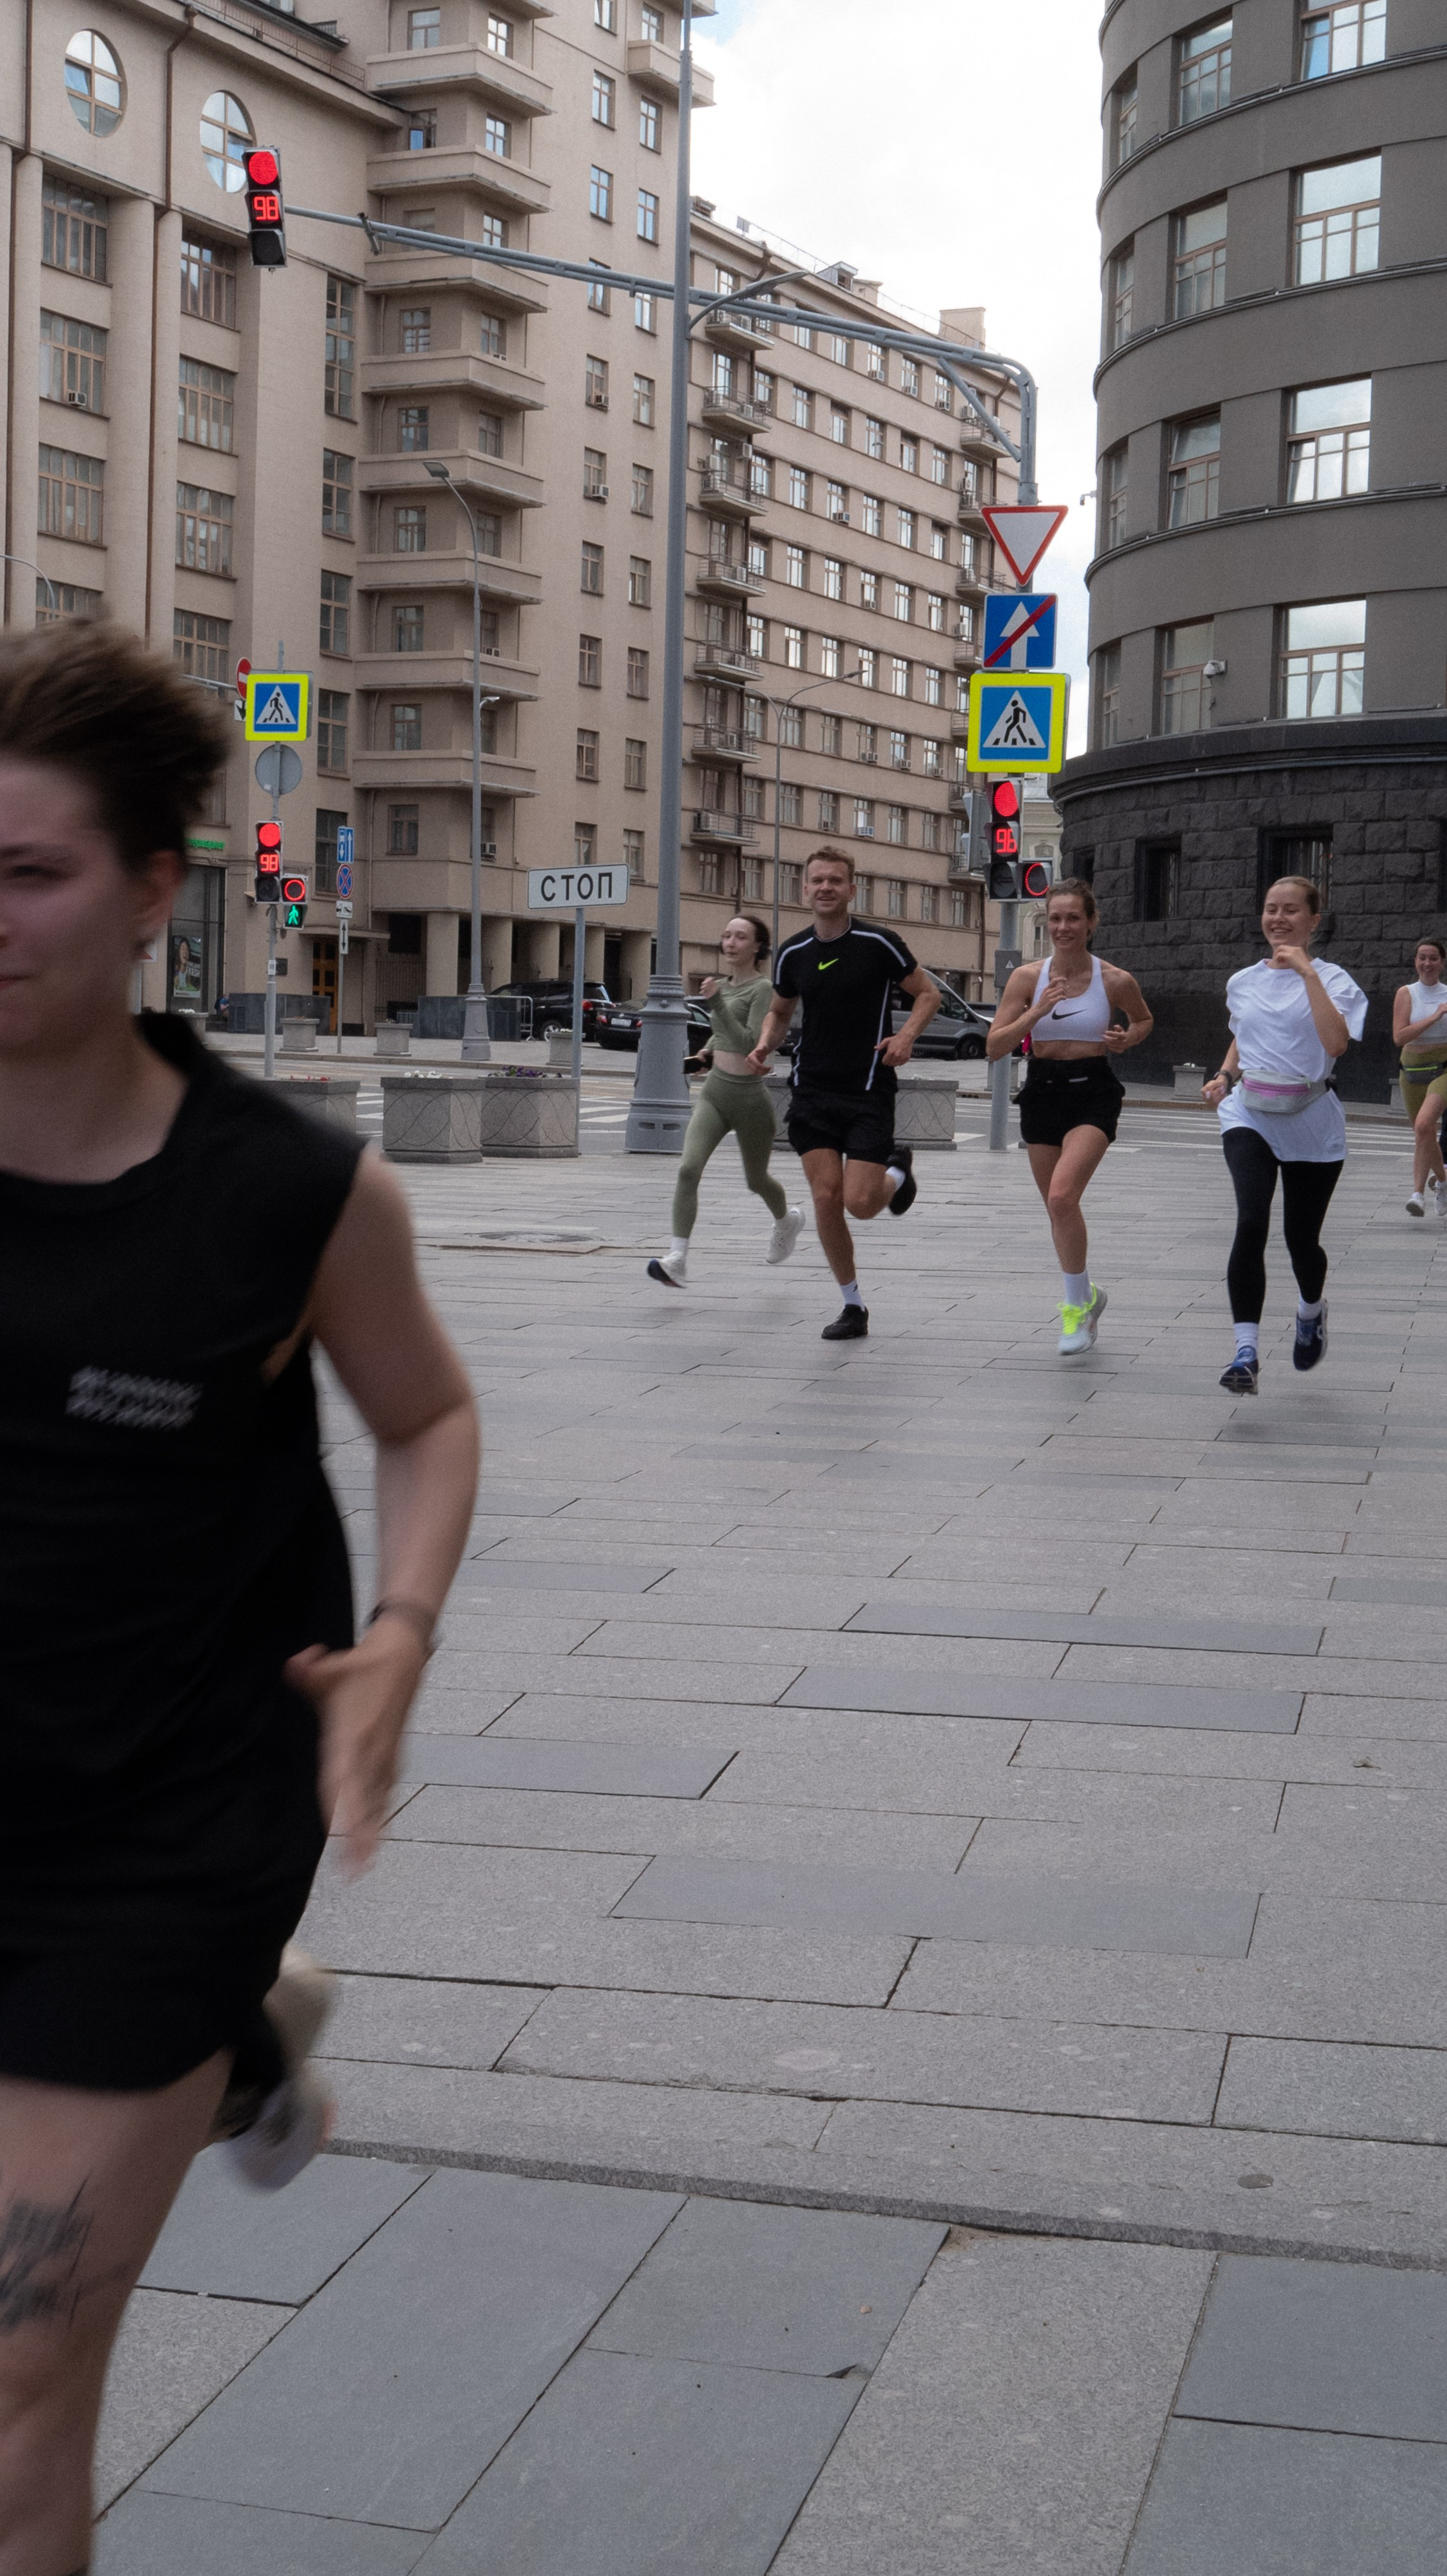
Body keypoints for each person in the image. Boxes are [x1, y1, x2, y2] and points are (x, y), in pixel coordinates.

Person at [0, 622, 480, 2573]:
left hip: (156, 1821)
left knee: (14, 2377)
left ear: (150, 895)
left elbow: (428, 1417)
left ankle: (215, 2014)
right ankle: (250, 2044)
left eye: (28, 874)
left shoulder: (289, 1193)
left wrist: (396, 1647)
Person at [747, 846, 940, 1339]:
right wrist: (766, 1043)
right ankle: (852, 1306)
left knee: (861, 1203)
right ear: (805, 888)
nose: (826, 888)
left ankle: (898, 1171)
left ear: (852, 889)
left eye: (836, 880)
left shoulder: (880, 944)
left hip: (868, 1088)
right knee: (826, 1198)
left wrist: (906, 1036)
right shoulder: (793, 952)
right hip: (812, 1089)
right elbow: (780, 1009)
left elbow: (928, 993)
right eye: (817, 881)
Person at [1202, 874, 1366, 1393]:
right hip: (1249, 1113)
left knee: (1302, 1242)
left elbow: (1336, 1043)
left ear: (1314, 921)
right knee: (1252, 1221)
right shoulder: (1242, 980)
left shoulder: (1336, 981)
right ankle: (1245, 1353)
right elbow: (1243, 1036)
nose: (1278, 919)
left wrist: (1306, 975)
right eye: (1271, 909)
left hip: (1312, 1120)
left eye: (1291, 910)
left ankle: (1311, 1310)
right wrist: (1226, 1076)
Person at [986, 878, 1153, 1355]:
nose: (1063, 927)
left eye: (1073, 918)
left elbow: (1142, 1019)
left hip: (1093, 1091)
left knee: (1063, 1195)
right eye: (1056, 918)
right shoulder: (1027, 978)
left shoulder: (1114, 979)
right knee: (1058, 1207)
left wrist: (1129, 1038)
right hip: (1043, 1089)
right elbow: (995, 1046)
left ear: (1091, 922)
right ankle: (1089, 1295)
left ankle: (1073, 1311)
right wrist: (1035, 1013)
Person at [647, 914, 801, 1288]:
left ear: (758, 947)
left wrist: (715, 1003)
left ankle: (787, 1220)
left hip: (750, 1100)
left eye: (740, 937)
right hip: (716, 1092)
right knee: (688, 1170)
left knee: (756, 1180)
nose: (730, 942)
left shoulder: (763, 988)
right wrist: (706, 1052)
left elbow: (751, 1042)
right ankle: (677, 1259)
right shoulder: (725, 987)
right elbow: (723, 1037)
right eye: (726, 935)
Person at [1392, 936, 1447, 1217]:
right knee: (1422, 1134)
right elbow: (1400, 1037)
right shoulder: (1407, 993)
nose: (1427, 963)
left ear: (1442, 962)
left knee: (1425, 1125)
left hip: (1444, 1068)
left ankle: (1418, 1195)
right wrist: (1434, 1018)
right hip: (1412, 1069)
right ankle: (1444, 1182)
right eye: (1422, 958)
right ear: (1415, 962)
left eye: (1433, 958)